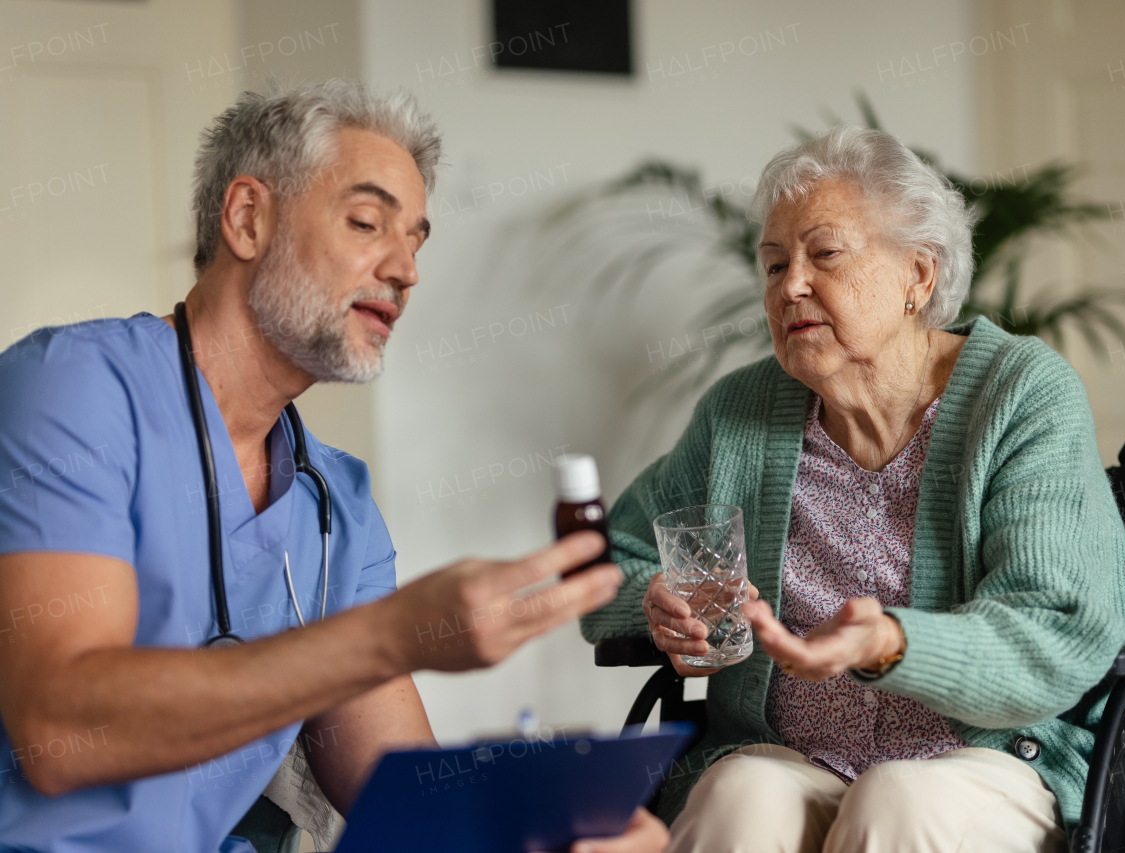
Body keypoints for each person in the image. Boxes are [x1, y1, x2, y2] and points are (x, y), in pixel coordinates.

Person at [0, 81, 666, 853]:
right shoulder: (73, 388)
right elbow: (59, 730)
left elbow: (401, 791)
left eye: (418, 239)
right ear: (249, 218)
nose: (407, 269)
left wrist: (547, 816)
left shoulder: (334, 503)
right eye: (367, 222)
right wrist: (389, 633)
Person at [581, 125, 1125, 853]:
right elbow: (601, 564)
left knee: (896, 797)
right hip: (790, 756)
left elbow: (1055, 624)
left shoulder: (1019, 394)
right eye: (774, 263)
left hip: (987, 761)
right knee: (738, 796)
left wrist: (893, 643)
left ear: (920, 274)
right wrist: (654, 598)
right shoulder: (740, 413)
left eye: (826, 253)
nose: (791, 285)